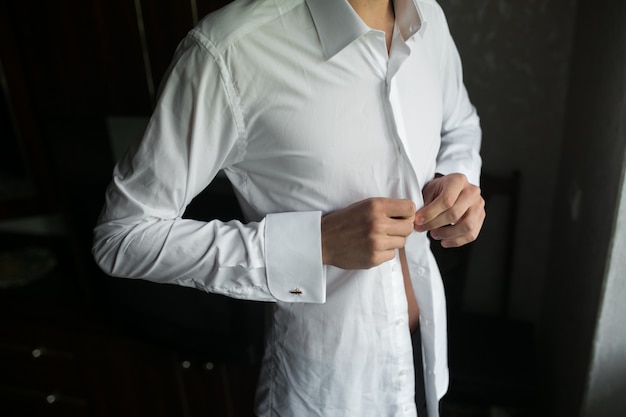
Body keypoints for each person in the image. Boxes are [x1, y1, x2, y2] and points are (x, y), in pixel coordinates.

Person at [92, 0, 485, 415]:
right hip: (325, 393)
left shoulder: (429, 18)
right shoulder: (230, 51)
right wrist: (314, 246)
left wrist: (457, 182)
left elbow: (460, 123)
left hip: (425, 362)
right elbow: (122, 235)